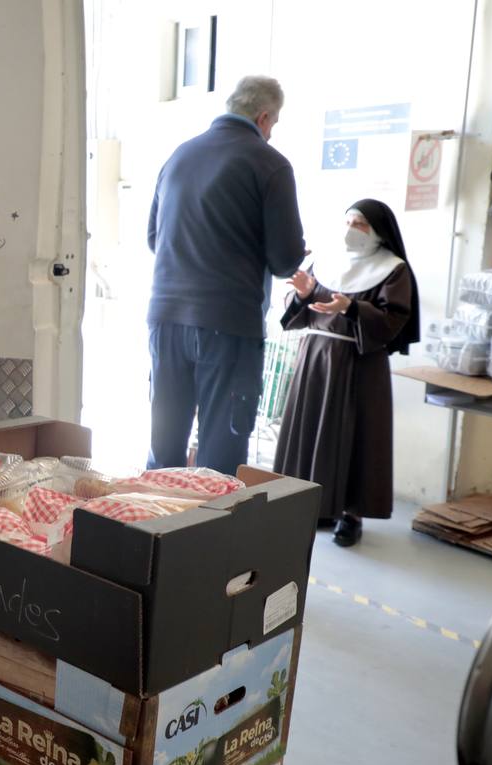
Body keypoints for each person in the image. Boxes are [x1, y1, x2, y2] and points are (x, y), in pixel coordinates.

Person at [146, 75, 306, 475]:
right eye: (274, 124)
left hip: (165, 318)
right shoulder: (269, 163)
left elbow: (154, 238)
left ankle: (149, 526)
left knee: (164, 445)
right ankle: (206, 535)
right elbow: (286, 260)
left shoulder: (179, 156)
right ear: (264, 116)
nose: (271, 133)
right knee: (220, 451)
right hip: (228, 324)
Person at [273, 199, 420, 547]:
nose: (351, 230)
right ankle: (312, 507)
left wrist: (353, 308)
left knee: (355, 436)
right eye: (348, 221)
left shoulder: (393, 269)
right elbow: (303, 306)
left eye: (360, 224)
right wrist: (304, 294)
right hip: (316, 357)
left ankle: (350, 515)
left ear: (378, 233)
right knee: (310, 431)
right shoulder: (324, 261)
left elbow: (393, 320)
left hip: (359, 363)